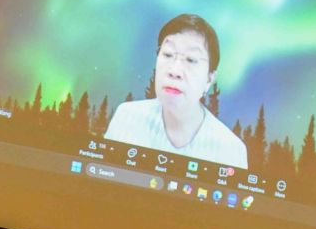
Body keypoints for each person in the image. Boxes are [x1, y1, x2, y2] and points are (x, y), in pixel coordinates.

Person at [104, 14, 248, 169]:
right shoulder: (127, 117)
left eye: (191, 60)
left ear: (209, 78)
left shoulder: (231, 151)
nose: (174, 71)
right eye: (168, 54)